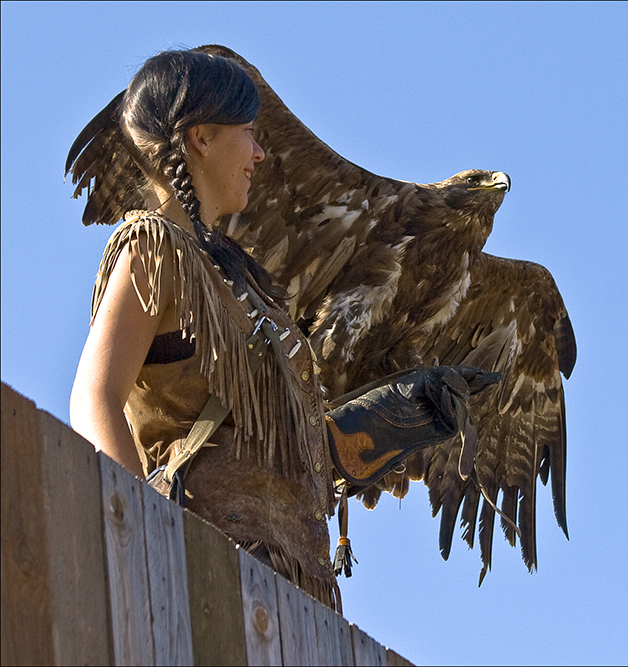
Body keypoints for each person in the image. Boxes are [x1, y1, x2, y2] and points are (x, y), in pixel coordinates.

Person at [68, 49, 495, 608]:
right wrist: (142, 534)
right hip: (206, 563)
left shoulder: (245, 284)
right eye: (248, 133)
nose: (260, 152)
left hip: (298, 585)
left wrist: (394, 418)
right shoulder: (155, 247)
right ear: (201, 137)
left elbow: (278, 450)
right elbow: (94, 397)